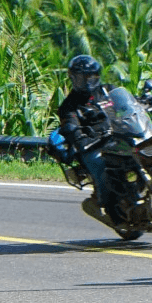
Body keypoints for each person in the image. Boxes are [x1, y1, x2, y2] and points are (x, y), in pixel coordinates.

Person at [55, 54, 111, 220]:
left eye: (91, 77)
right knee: (98, 161)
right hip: (93, 144)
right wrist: (77, 134)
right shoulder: (69, 104)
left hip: (118, 135)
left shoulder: (108, 90)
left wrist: (145, 101)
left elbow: (129, 102)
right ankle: (104, 200)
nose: (87, 82)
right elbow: (68, 123)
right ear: (73, 79)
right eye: (82, 78)